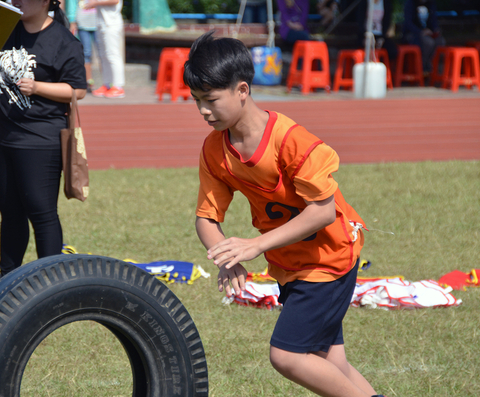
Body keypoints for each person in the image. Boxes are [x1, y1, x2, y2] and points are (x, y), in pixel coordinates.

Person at [184, 31, 384, 397]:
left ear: (242, 90)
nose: (203, 110)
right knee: (329, 361)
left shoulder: (291, 141)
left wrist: (255, 245)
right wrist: (226, 259)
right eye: (196, 100)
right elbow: (206, 218)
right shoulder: (215, 149)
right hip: (290, 262)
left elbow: (322, 213)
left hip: (330, 257)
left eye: (211, 99)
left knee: (287, 355)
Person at [0, 0, 86, 288]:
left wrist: (38, 87)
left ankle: (51, 283)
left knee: (41, 213)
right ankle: (6, 279)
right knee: (10, 212)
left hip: (41, 140)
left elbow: (77, 90)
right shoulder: (6, 30)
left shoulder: (64, 40)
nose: (16, 2)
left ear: (45, 2)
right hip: (5, 137)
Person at [86, 0, 125, 98]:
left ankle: (118, 86)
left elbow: (114, 0)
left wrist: (96, 2)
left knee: (112, 54)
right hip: (100, 23)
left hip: (111, 23)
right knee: (103, 55)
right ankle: (107, 84)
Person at [402, 0, 445, 73]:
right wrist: (420, 32)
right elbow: (408, 24)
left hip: (428, 34)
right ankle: (422, 67)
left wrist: (435, 30)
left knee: (440, 41)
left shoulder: (431, 4)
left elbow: (434, 21)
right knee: (428, 42)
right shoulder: (410, 3)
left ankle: (434, 68)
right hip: (412, 34)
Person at [66, 0, 97, 92]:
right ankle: (88, 81)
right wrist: (72, 21)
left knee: (103, 54)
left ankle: (107, 84)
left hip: (99, 22)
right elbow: (72, 4)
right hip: (83, 23)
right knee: (86, 53)